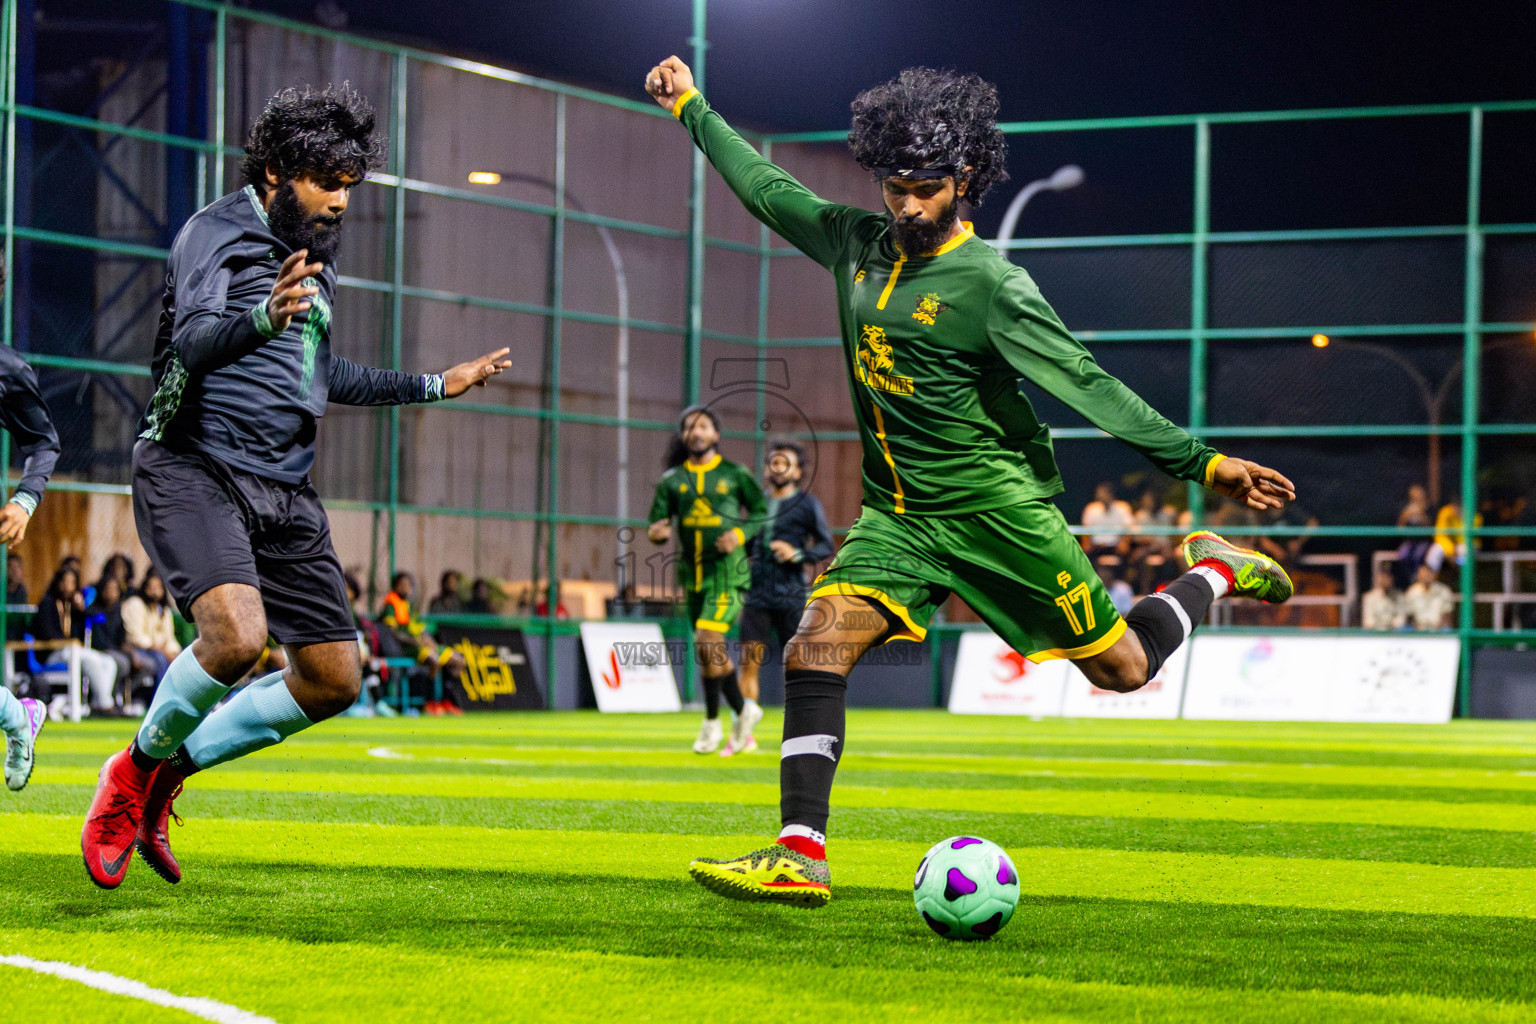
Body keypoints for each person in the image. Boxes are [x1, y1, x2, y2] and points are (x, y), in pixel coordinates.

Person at [646, 57, 1296, 906]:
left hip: (998, 514)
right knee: (814, 646)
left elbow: (1087, 382)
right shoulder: (854, 244)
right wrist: (692, 107)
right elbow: (764, 187)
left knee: (1124, 669)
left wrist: (1200, 461)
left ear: (963, 179)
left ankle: (1214, 568)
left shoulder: (992, 284)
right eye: (892, 185)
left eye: (923, 186)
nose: (906, 204)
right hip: (899, 520)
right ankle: (799, 855)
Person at [80, 83, 513, 890]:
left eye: (350, 185)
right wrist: (261, 322)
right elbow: (197, 339)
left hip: (285, 486)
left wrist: (432, 384)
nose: (341, 202)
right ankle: (129, 775)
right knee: (239, 640)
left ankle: (169, 771)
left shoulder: (316, 261)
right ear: (277, 170)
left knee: (332, 678)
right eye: (327, 182)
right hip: (193, 462)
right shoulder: (215, 232)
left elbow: (323, 373)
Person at [648, 405, 768, 754]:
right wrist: (657, 532)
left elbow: (760, 511)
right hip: (693, 575)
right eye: (689, 427)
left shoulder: (735, 474)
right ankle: (724, 720)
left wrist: (740, 535)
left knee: (707, 635)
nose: (695, 433)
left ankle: (729, 717)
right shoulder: (672, 480)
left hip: (729, 573)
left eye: (702, 427)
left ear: (716, 435)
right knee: (706, 651)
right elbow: (657, 524)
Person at [734, 440, 834, 756]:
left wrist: (797, 553)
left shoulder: (807, 505)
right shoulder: (757, 505)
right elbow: (744, 543)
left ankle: (798, 735)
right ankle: (743, 734)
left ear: (798, 470)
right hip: (757, 594)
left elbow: (826, 545)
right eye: (774, 463)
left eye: (786, 463)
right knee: (748, 663)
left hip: (791, 594)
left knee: (797, 664)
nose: (778, 468)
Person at [32, 566, 121, 715]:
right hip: (51, 655)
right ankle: (105, 705)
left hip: (73, 652)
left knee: (109, 662)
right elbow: (48, 634)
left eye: (72, 582)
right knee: (89, 659)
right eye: (65, 581)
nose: (68, 585)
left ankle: (100, 702)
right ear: (58, 582)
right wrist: (68, 643)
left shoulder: (72, 607)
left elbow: (86, 624)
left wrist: (80, 609)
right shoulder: (48, 603)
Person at [121, 570, 182, 685]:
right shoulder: (135, 604)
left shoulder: (164, 610)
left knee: (181, 659)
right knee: (160, 660)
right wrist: (161, 650)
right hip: (137, 649)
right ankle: (159, 698)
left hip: (161, 650)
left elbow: (169, 637)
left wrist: (174, 652)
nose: (154, 591)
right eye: (151, 587)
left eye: (157, 587)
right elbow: (135, 636)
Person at [1081, 481, 1135, 560]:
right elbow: (1085, 531)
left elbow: (1129, 529)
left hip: (1115, 547)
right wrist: (1086, 546)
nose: (1099, 495)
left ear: (1110, 493)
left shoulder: (1123, 507)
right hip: (1096, 547)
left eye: (1102, 492)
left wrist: (1125, 543)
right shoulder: (1091, 508)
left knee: (1128, 554)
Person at [1404, 563, 1456, 631]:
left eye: (1428, 574)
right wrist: (1417, 627)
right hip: (1417, 629)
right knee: (1404, 629)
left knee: (1447, 629)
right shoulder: (1412, 592)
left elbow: (1447, 614)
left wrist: (1437, 628)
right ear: (1418, 576)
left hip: (1439, 628)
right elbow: (1409, 615)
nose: (1425, 576)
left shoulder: (1443, 590)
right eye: (1423, 574)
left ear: (1433, 575)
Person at [1361, 567, 1406, 631]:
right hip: (1375, 633)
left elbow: (1401, 619)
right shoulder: (1369, 597)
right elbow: (1368, 621)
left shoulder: (1399, 597)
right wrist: (1380, 626)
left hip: (1394, 632)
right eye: (1382, 577)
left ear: (1392, 579)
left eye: (1387, 578)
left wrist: (1390, 625)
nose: (1384, 580)